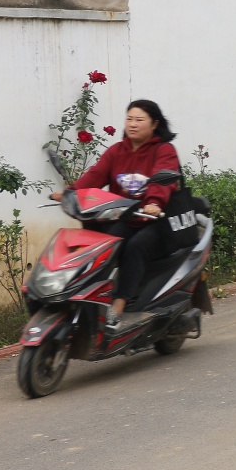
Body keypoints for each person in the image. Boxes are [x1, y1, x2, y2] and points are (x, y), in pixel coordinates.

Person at [55, 100, 182, 330]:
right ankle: (93, 298)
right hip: (127, 218)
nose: (132, 124)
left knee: (136, 246)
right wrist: (70, 194)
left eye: (139, 120)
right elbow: (94, 176)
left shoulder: (164, 151)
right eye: (129, 119)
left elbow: (164, 179)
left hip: (157, 220)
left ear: (154, 124)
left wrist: (153, 202)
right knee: (109, 243)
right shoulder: (116, 151)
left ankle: (119, 306)